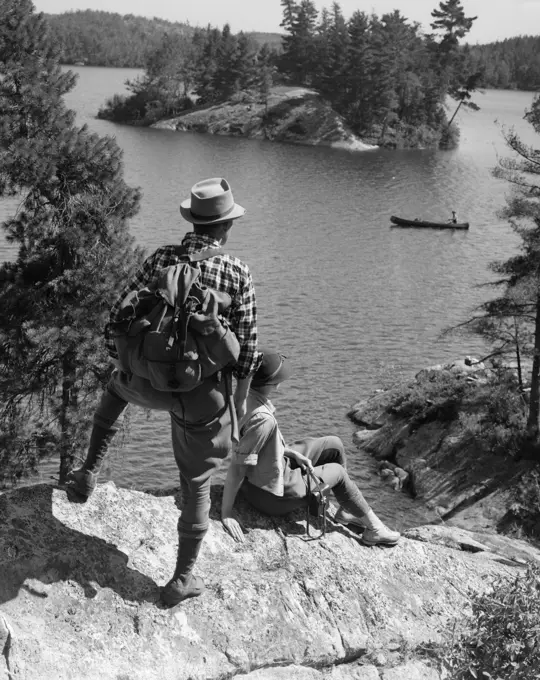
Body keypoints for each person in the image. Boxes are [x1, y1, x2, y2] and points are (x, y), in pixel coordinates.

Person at [66, 177, 259, 607]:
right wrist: (240, 401)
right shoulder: (237, 271)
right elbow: (246, 350)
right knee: (195, 482)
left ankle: (87, 474)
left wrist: (126, 368)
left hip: (146, 381)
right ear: (226, 227)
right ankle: (180, 580)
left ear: (192, 220)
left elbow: (115, 321)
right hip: (200, 398)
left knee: (114, 390)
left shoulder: (161, 258)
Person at [221, 350, 400, 547]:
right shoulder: (262, 419)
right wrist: (227, 513)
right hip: (269, 496)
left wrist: (291, 452)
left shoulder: (245, 396)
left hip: (270, 469)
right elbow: (238, 467)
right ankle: (374, 530)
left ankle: (347, 510)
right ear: (274, 383)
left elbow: (258, 446)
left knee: (334, 444)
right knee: (338, 473)